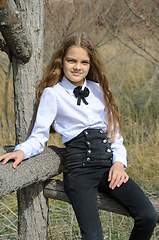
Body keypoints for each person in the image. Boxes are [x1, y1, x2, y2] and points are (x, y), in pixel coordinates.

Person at [0, 32, 157, 240]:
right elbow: (39, 137)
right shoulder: (53, 93)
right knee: (93, 237)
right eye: (71, 60)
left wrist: (119, 164)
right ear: (62, 61)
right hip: (80, 173)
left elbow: (114, 136)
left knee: (148, 216)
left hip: (109, 169)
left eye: (84, 62)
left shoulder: (98, 89)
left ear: (90, 64)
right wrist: (21, 151)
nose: (77, 67)